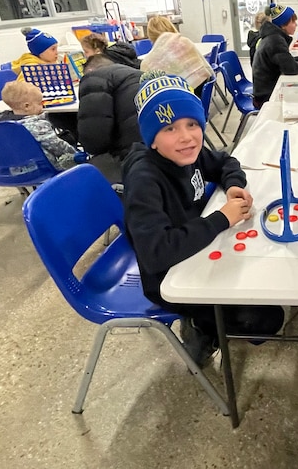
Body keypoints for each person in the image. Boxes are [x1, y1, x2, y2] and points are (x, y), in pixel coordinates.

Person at [122, 73, 285, 366]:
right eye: (170, 128)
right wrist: (221, 218)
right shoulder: (144, 178)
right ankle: (199, 327)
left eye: (193, 124)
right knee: (265, 320)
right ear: (152, 140)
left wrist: (234, 184)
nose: (186, 136)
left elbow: (224, 162)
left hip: (200, 250)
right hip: (169, 277)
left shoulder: (186, 153)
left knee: (273, 282)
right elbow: (156, 252)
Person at [0, 80, 84, 171]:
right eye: (40, 103)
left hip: (11, 168)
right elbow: (58, 147)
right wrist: (77, 153)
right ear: (26, 106)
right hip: (42, 168)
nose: (42, 107)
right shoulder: (37, 126)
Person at [75, 55, 143, 183]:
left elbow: (94, 137)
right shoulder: (138, 74)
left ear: (89, 71)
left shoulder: (93, 78)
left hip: (133, 158)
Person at [251, 3, 298, 108]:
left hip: (265, 90)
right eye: (293, 21)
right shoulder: (275, 40)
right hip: (266, 97)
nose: (296, 25)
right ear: (283, 25)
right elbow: (291, 68)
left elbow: (284, 60)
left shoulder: (273, 36)